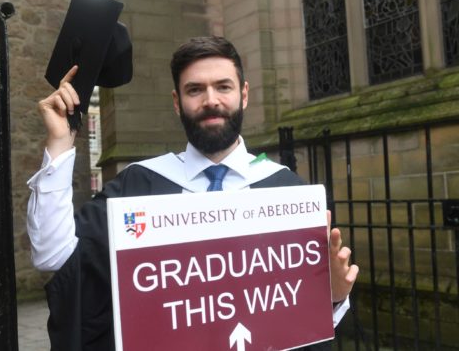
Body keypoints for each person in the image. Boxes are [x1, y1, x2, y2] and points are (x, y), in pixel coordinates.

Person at [27, 36, 359, 350]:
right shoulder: (137, 186)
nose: (210, 100)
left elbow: (298, 317)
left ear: (243, 95)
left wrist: (332, 296)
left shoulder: (287, 192)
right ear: (177, 102)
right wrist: (59, 142)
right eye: (195, 89)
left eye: (223, 87)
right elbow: (52, 256)